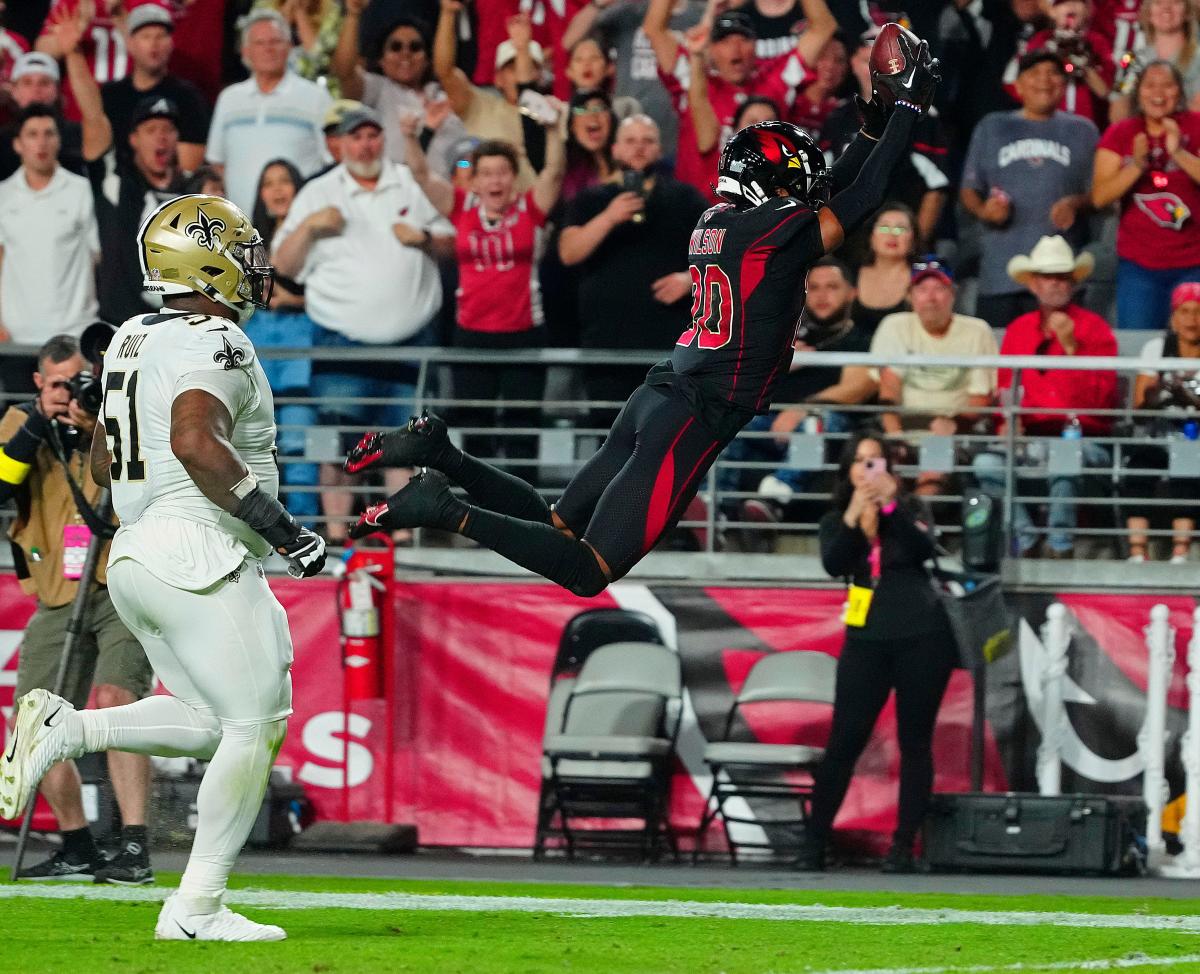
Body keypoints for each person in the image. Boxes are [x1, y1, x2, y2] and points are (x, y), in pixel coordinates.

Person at [342, 33, 941, 597]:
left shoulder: (717, 221)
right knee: (588, 570)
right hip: (695, 413)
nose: (800, 193)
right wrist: (905, 111)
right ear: (770, 186)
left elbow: (830, 191)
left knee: (558, 523)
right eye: (790, 183)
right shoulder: (769, 231)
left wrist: (872, 129)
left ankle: (442, 454)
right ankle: (444, 507)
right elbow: (857, 200)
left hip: (660, 392)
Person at [0, 194, 326, 940]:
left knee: (215, 722)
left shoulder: (130, 339)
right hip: (196, 549)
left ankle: (69, 728)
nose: (253, 266)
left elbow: (107, 457)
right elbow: (194, 442)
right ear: (204, 260)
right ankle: (197, 907)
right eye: (240, 253)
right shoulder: (218, 340)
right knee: (257, 724)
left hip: (140, 552)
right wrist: (286, 532)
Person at [0, 334, 154, 884]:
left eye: (80, 381)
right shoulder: (20, 424)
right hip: (58, 590)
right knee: (33, 724)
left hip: (120, 581)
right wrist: (43, 422)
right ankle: (77, 845)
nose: (72, 392)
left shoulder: (121, 418)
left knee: (117, 702)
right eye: (61, 383)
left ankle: (135, 846)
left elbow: (139, 480)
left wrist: (97, 428)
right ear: (40, 382)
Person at [271, 106, 454, 543]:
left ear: (382, 139)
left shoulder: (410, 180)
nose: (365, 145)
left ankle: (403, 537)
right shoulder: (318, 193)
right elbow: (282, 264)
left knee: (405, 447)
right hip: (340, 339)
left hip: (412, 340)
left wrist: (425, 239)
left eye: (373, 135)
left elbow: (453, 242)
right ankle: (336, 537)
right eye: (356, 137)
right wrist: (311, 227)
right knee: (338, 446)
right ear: (341, 144)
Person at [804, 430, 958, 873]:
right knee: (843, 741)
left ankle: (903, 847)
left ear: (890, 468)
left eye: (876, 461)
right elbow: (835, 563)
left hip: (922, 634)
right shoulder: (836, 517)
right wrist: (856, 516)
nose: (868, 469)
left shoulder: (909, 509)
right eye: (860, 461)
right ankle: (814, 844)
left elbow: (922, 550)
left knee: (915, 742)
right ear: (847, 470)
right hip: (866, 637)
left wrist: (891, 506)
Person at [402, 111, 565, 481]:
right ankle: (481, 513)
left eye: (503, 172)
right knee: (475, 426)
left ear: (513, 178)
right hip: (471, 335)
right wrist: (411, 136)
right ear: (474, 181)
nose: (496, 180)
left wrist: (554, 129)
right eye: (487, 173)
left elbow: (554, 172)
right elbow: (422, 175)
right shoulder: (462, 207)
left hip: (524, 333)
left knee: (524, 426)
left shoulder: (530, 208)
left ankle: (527, 513)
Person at [972, 235, 1118, 558]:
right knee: (986, 464)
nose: (1055, 284)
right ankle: (1026, 540)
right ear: (1034, 284)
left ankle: (1060, 545)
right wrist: (1006, 425)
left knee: (1066, 457)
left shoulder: (1095, 330)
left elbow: (1102, 399)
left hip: (1082, 438)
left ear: (1073, 283)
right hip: (1029, 438)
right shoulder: (1018, 331)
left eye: (1062, 277)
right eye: (1047, 277)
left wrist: (1071, 348)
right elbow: (1007, 390)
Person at [559, 114, 709, 411]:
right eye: (630, 141)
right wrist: (608, 217)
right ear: (614, 149)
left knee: (665, 436)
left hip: (669, 343)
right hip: (605, 344)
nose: (639, 148)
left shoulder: (686, 198)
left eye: (647, 141)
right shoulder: (589, 200)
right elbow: (568, 253)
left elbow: (723, 253)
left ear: (659, 150)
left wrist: (689, 279)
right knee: (610, 436)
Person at [718, 256, 877, 529]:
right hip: (770, 421)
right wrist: (781, 363)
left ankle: (774, 499)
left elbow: (857, 388)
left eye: (831, 287)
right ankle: (715, 505)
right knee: (728, 422)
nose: (821, 296)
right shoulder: (785, 335)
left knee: (817, 423)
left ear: (853, 292)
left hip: (826, 426)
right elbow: (742, 375)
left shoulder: (860, 338)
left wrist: (803, 409)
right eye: (813, 288)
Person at [59, 13, 185, 328]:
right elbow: (94, 117)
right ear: (133, 139)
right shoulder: (117, 183)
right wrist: (73, 54)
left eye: (168, 130)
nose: (161, 137)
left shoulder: (192, 193)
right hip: (122, 329)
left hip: (177, 330)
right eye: (151, 129)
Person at [962, 50, 1099, 330]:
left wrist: (1076, 202)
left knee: (1058, 362)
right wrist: (984, 211)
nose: (1044, 80)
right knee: (999, 363)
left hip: (1060, 276)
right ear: (1019, 84)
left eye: (1053, 73)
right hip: (1000, 274)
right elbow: (969, 189)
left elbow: (1100, 194)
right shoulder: (992, 126)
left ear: (1063, 84)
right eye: (1034, 73)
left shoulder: (1083, 130)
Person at [644, 3, 836, 197]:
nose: (735, 49)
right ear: (710, 48)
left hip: (762, 212)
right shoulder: (695, 78)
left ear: (756, 46)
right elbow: (654, 30)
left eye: (744, 39)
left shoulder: (775, 81)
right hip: (698, 212)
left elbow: (823, 28)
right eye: (724, 41)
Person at [870, 258, 998, 500]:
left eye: (939, 289)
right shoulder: (894, 326)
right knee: (878, 466)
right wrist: (895, 435)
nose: (931, 297)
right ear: (910, 296)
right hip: (900, 427)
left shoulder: (977, 330)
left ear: (953, 295)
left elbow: (982, 398)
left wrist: (954, 424)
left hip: (956, 432)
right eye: (922, 289)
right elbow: (889, 387)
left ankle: (920, 529)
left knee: (933, 469)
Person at [1093, 59, 1200, 329]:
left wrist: (1178, 153)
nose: (1159, 93)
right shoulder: (1120, 133)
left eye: (1168, 85)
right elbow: (1099, 197)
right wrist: (1136, 166)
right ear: (1138, 91)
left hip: (1195, 262)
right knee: (1139, 350)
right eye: (1150, 85)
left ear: (1180, 91)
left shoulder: (1197, 126)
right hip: (1139, 267)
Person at [206, 9, 332, 214]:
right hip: (241, 229)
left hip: (299, 223)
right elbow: (217, 164)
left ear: (290, 47)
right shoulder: (229, 99)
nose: (268, 49)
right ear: (246, 51)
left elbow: (330, 162)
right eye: (259, 43)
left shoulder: (316, 97)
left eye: (275, 41)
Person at [247, 158, 319, 520]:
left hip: (302, 346)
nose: (277, 190)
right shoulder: (246, 240)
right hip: (257, 345)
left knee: (299, 445)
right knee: (257, 446)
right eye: (268, 183)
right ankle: (263, 529)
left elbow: (341, 293)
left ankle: (305, 527)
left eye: (285, 181)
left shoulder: (314, 235)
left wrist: (295, 301)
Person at [0, 105, 99, 365]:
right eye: (32, 134)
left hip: (74, 333)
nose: (41, 142)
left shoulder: (81, 191)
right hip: (16, 336)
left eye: (49, 133)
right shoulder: (3, 195)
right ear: (17, 144)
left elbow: (99, 257)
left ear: (59, 140)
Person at [330, 1, 465, 173]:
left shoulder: (443, 96)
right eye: (395, 47)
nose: (405, 53)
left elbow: (464, 162)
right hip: (393, 189)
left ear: (427, 59)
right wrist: (353, 14)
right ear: (381, 60)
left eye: (415, 47)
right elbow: (344, 71)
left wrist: (462, 168)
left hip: (442, 193)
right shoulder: (377, 90)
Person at [561, 0, 704, 156]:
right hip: (628, 128)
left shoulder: (699, 14)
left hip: (682, 131)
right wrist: (599, 3)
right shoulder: (628, 12)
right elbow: (569, 42)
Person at [1123, 280, 1200, 562]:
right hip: (1159, 433)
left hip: (1195, 438)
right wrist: (1154, 396)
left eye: (1198, 311)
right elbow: (1138, 410)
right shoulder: (1157, 348)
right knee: (1138, 467)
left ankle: (1180, 551)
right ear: (1173, 317)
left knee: (1187, 470)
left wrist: (1188, 398)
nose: (1192, 320)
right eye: (1185, 311)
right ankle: (1137, 551)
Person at [435, 2, 544, 188]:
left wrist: (522, 49)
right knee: (461, 162)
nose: (519, 74)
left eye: (526, 65)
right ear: (498, 78)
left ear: (540, 76)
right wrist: (447, 14)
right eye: (511, 68)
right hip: (478, 209)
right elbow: (445, 72)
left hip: (531, 211)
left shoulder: (553, 114)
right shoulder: (479, 105)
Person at [99, 3, 209, 174]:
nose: (154, 44)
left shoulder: (187, 97)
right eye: (146, 36)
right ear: (130, 43)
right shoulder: (111, 95)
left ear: (171, 43)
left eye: (161, 36)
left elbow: (189, 169)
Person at [0, 51, 85, 181]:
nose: (36, 89)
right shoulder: (2, 140)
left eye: (44, 83)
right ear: (14, 90)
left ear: (56, 90)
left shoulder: (78, 134)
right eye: (27, 83)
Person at [1111, 0, 1200, 118]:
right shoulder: (1130, 59)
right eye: (1158, 2)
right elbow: (1118, 108)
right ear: (1148, 13)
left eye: (1176, 2)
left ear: (1187, 12)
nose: (1166, 7)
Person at [852, 203, 916, 337]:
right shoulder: (850, 274)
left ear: (913, 239)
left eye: (900, 229)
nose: (892, 235)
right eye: (884, 227)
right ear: (871, 236)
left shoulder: (922, 278)